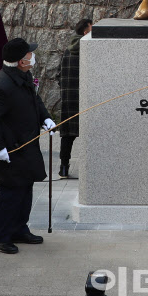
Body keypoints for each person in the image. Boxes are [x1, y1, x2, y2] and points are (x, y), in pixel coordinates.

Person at [0, 37, 56, 254]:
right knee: (11, 193)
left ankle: (19, 228)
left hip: (27, 145)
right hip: (11, 149)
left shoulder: (23, 76)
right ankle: (1, 236)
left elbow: (35, 99)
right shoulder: (3, 85)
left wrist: (46, 118)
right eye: (30, 55)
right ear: (22, 61)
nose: (33, 57)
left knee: (25, 190)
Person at [57, 18, 91, 179]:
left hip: (68, 99)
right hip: (87, 99)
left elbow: (58, 75)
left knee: (67, 135)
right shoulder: (90, 51)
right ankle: (89, 169)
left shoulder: (67, 51)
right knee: (90, 133)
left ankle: (64, 167)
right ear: (85, 32)